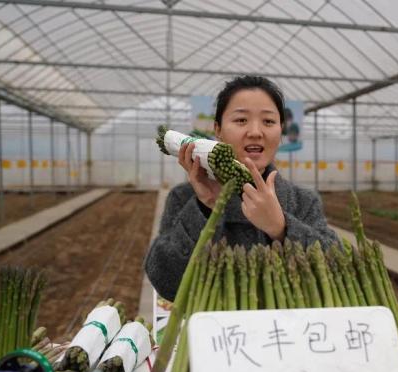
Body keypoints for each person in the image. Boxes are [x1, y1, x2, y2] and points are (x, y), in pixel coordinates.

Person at [144, 75, 339, 301]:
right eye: (241, 120)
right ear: (218, 129)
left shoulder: (302, 201)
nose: (256, 132)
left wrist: (281, 227)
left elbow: (337, 273)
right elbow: (165, 282)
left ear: (281, 130)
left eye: (268, 122)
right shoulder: (185, 197)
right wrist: (205, 208)